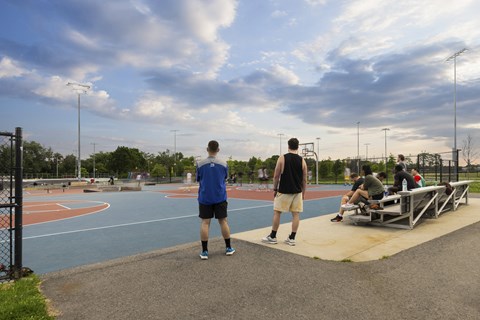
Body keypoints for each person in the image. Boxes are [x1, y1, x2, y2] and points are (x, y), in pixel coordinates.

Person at [262, 138, 307, 246]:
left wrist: (275, 188)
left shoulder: (282, 158)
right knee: (296, 214)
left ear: (288, 146)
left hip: (284, 190)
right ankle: (292, 238)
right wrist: (303, 193)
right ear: (298, 146)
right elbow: (304, 179)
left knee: (277, 212)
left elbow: (276, 175)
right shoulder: (302, 160)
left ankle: (273, 236)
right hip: (297, 191)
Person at [196, 140, 235, 260]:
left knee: (205, 223)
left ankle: (205, 251)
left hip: (205, 197)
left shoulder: (200, 164)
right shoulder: (224, 164)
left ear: (207, 149)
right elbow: (225, 177)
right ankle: (228, 248)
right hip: (220, 197)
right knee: (223, 221)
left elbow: (198, 179)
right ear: (218, 150)